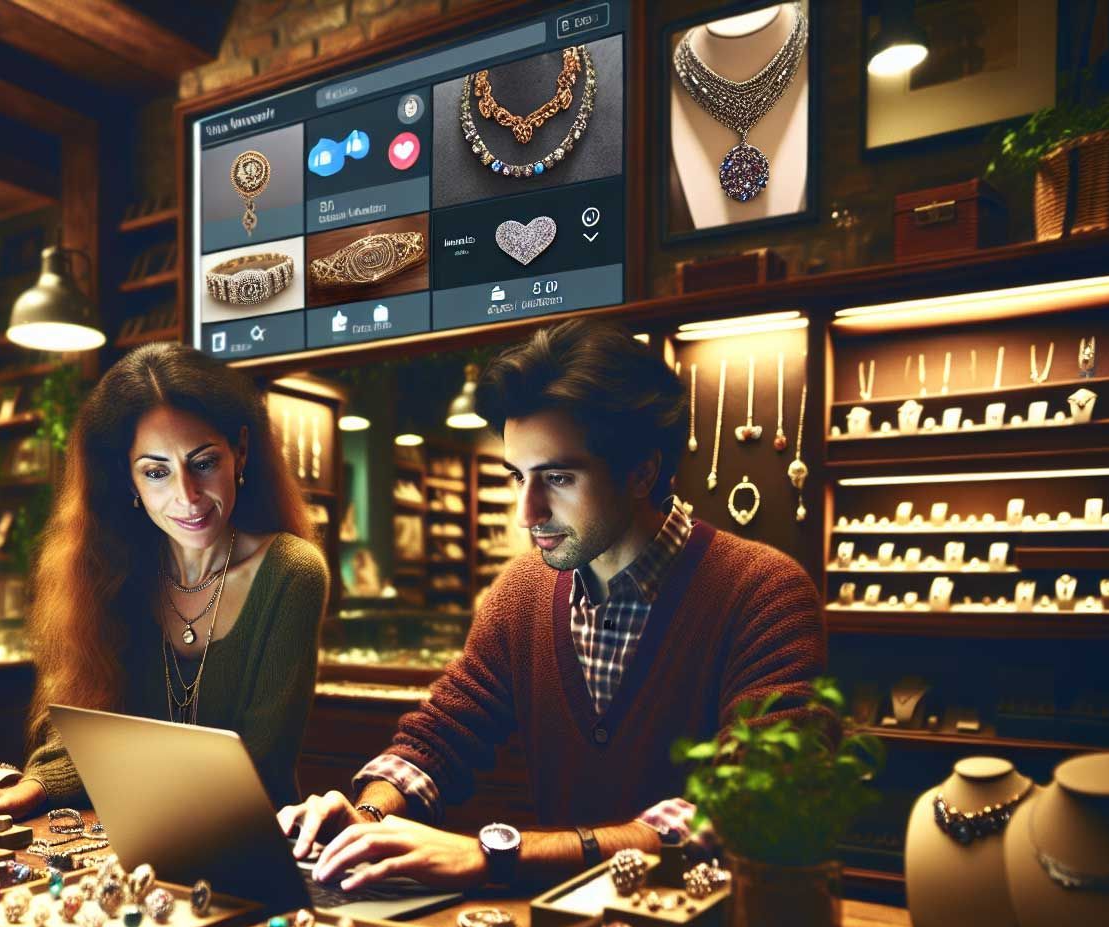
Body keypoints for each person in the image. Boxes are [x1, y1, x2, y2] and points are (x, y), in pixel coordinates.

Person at [277, 318, 826, 892]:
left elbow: (747, 809)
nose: (526, 511)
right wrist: (369, 818)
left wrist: (498, 855)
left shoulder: (763, 592)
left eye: (558, 477)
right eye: (516, 476)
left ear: (641, 471)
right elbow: (441, 737)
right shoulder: (521, 593)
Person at [0, 343, 328, 816]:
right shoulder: (113, 567)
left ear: (240, 453)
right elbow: (85, 714)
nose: (187, 496)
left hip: (256, 847)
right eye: (156, 472)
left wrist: (110, 770)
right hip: (127, 835)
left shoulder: (291, 571)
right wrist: (37, 784)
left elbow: (261, 765)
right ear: (129, 482)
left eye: (203, 463)